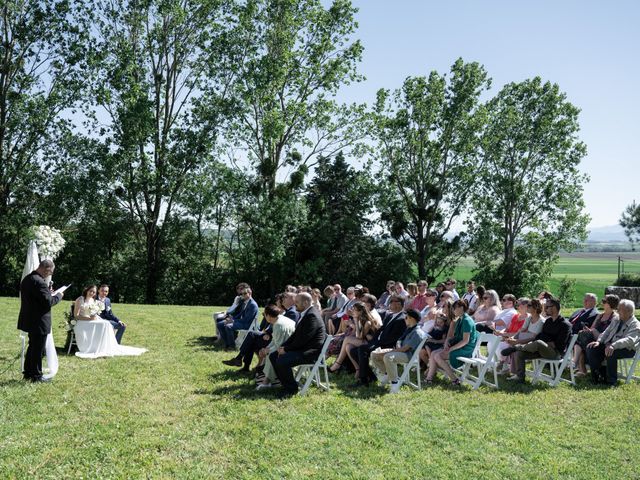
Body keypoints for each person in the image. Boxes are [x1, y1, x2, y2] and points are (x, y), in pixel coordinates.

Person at [269, 293, 327, 397]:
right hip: (303, 348)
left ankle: (291, 389)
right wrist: (283, 346)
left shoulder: (312, 315)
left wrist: (286, 349)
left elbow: (303, 340)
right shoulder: (306, 313)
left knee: (282, 361)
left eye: (297, 302)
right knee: (273, 356)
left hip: (310, 353)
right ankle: (286, 384)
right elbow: (295, 335)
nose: (294, 304)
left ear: (305, 303)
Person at [18, 259, 64, 382]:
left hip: (30, 319)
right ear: (46, 268)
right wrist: (59, 296)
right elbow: (49, 302)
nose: (50, 275)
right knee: (38, 350)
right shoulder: (39, 282)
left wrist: (49, 293)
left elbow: (37, 298)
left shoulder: (28, 278)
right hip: (39, 321)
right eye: (50, 272)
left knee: (33, 347)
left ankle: (28, 372)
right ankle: (36, 376)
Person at [505, 297, 571, 383]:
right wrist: (547, 341)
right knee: (520, 353)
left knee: (539, 343)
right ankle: (520, 377)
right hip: (541, 350)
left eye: (547, 307)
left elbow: (559, 344)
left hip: (555, 353)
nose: (544, 309)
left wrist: (546, 341)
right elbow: (540, 336)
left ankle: (517, 347)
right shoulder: (548, 322)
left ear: (554, 308)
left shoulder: (565, 325)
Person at [73, 284, 147, 358]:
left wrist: (118, 321)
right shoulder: (81, 299)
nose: (92, 293)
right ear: (87, 290)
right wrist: (90, 318)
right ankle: (99, 346)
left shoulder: (98, 300)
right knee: (106, 324)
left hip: (93, 320)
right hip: (83, 322)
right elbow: (76, 315)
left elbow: (110, 313)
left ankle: (112, 345)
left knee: (113, 325)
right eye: (91, 291)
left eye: (93, 292)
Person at [350, 294, 406, 386]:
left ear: (399, 304)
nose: (390, 303)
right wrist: (373, 339)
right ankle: (371, 376)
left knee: (361, 349)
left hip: (387, 345)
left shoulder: (402, 318)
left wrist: (377, 343)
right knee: (353, 351)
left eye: (392, 301)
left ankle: (363, 380)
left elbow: (394, 337)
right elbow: (381, 329)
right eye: (390, 301)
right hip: (378, 342)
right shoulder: (390, 315)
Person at [586, 299, 640, 386]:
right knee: (591, 348)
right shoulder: (616, 319)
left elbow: (629, 340)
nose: (617, 311)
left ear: (628, 312)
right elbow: (606, 332)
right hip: (610, 345)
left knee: (611, 352)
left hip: (627, 349)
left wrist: (613, 346)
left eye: (620, 310)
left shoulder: (635, 324)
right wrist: (599, 342)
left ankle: (611, 381)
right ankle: (596, 376)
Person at [370, 309, 426, 393]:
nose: (404, 319)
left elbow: (405, 349)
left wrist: (389, 351)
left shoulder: (417, 332)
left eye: (406, 317)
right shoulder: (409, 329)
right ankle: (387, 374)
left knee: (388, 356)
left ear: (412, 319)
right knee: (374, 354)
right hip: (400, 351)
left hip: (408, 355)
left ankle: (394, 383)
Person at [425, 299, 478, 385]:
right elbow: (452, 336)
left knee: (438, 356)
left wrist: (452, 348)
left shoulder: (466, 320)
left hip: (466, 349)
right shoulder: (461, 319)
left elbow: (465, 341)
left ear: (461, 308)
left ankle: (454, 379)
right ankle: (429, 378)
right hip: (460, 346)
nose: (453, 310)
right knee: (434, 353)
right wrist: (447, 343)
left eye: (454, 308)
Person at [329, 302, 381, 375]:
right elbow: (357, 335)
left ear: (360, 312)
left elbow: (359, 337)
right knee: (348, 346)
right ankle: (357, 369)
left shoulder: (367, 322)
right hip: (363, 340)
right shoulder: (360, 319)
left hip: (370, 343)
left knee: (347, 339)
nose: (352, 311)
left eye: (354, 310)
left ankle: (337, 363)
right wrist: (354, 322)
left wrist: (355, 322)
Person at [574, 294, 618, 376]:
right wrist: (588, 330)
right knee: (581, 333)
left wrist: (593, 331)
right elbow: (591, 329)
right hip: (593, 340)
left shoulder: (615, 317)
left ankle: (576, 363)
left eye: (604, 301)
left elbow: (610, 334)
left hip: (604, 340)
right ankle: (579, 365)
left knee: (581, 337)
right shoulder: (600, 315)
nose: (602, 303)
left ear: (610, 304)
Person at [255, 305, 297, 390]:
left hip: (289, 349)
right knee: (268, 351)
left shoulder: (278, 324)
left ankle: (267, 381)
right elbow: (275, 340)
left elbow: (279, 345)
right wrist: (266, 348)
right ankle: (267, 378)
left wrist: (267, 350)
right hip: (289, 346)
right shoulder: (280, 319)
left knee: (271, 355)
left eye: (264, 315)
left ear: (268, 316)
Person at [500, 298, 546, 375]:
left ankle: (509, 368)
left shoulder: (541, 321)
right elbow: (521, 330)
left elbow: (533, 338)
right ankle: (509, 368)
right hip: (524, 339)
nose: (527, 307)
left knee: (515, 349)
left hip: (531, 343)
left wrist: (517, 341)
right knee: (511, 344)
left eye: (529, 305)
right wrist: (513, 337)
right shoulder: (529, 317)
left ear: (535, 307)